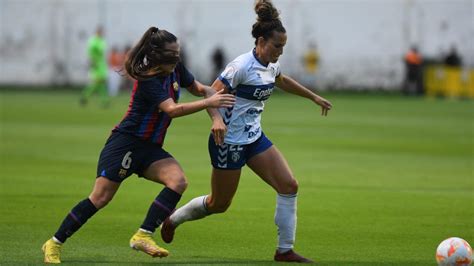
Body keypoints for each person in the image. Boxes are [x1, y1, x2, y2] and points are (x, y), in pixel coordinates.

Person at [41, 26, 235, 264]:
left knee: (178, 181)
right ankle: (54, 242)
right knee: (100, 198)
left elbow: (201, 89)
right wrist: (211, 101)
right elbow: (172, 110)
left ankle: (143, 235)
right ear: (156, 56)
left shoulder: (175, 69)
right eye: (172, 55)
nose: (176, 59)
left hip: (150, 148)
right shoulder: (148, 80)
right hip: (125, 145)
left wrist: (216, 116)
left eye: (178, 54)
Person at [160, 0, 332, 263]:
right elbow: (210, 93)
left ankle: (284, 250)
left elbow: (281, 79)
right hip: (227, 141)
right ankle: (173, 219)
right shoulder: (240, 67)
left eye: (283, 47)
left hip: (253, 138)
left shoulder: (271, 64)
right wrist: (216, 119)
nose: (280, 52)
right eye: (277, 46)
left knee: (289, 185)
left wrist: (313, 97)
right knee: (219, 204)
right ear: (261, 41)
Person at [80, 26, 110, 107]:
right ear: (97, 32)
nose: (102, 33)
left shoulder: (100, 40)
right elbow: (91, 53)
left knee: (100, 83)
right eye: (101, 32)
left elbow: (101, 52)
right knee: (98, 82)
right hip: (96, 64)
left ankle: (103, 101)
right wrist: (92, 62)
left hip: (101, 64)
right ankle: (85, 96)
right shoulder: (93, 41)